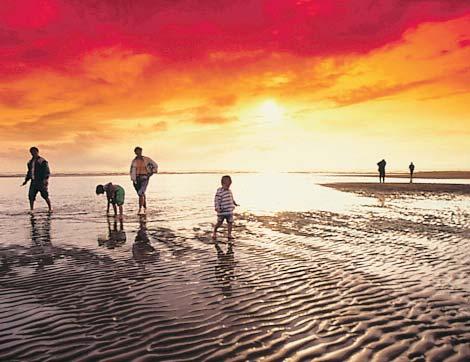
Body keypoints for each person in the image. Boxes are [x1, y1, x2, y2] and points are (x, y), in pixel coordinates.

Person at [21, 147, 52, 212]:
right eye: (32, 152)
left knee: (45, 195)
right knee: (31, 195)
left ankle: (50, 208)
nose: (33, 153)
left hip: (41, 181)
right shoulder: (30, 162)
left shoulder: (42, 161)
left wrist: (45, 179)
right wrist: (26, 181)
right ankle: (31, 209)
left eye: (34, 152)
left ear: (37, 152)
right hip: (33, 181)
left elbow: (47, 171)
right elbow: (29, 172)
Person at [130, 147, 158, 215]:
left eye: (139, 151)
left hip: (144, 178)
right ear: (135, 152)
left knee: (140, 193)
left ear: (141, 151)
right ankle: (145, 208)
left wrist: (151, 173)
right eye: (137, 151)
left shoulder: (146, 159)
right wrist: (133, 179)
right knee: (141, 194)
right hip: (136, 179)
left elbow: (155, 165)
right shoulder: (134, 160)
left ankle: (140, 210)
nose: (138, 153)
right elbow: (131, 170)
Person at [212, 175, 239, 241]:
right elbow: (216, 200)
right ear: (222, 184)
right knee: (219, 223)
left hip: (229, 211)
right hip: (222, 211)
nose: (228, 187)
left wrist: (234, 203)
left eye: (229, 185)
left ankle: (229, 234)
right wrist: (217, 207)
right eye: (227, 185)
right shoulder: (220, 192)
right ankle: (214, 232)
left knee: (230, 222)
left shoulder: (229, 191)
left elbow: (231, 198)